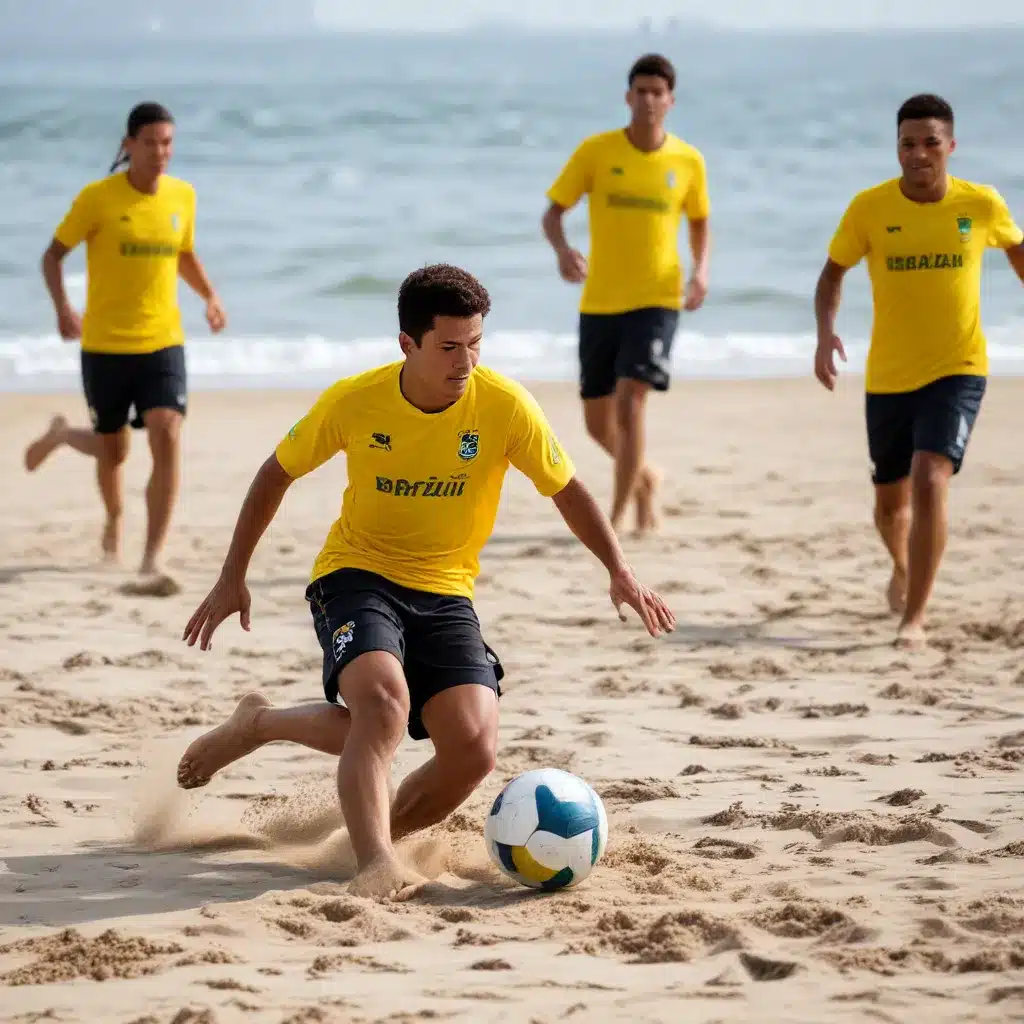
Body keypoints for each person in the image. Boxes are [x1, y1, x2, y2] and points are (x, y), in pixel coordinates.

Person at [177, 264, 676, 899]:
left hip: (445, 589)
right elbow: (276, 473)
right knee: (384, 709)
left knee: (472, 753)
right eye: (448, 346)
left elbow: (566, 488)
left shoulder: (503, 405)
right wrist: (232, 576)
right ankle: (373, 863)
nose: (465, 361)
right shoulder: (355, 401)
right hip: (356, 574)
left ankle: (267, 730)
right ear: (408, 344)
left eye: (475, 344)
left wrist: (619, 570)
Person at [814, 93, 1024, 648]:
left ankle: (916, 617)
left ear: (950, 146)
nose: (919, 153)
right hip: (888, 376)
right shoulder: (870, 208)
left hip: (959, 367)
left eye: (931, 142)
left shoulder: (980, 205)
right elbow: (832, 274)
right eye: (908, 143)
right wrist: (824, 335)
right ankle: (904, 567)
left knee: (932, 479)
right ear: (898, 148)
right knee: (889, 507)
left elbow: (1018, 250)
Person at [24, 102, 226, 590]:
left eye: (168, 142)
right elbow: (52, 257)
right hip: (104, 346)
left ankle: (151, 557)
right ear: (128, 145)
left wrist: (209, 296)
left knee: (167, 430)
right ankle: (67, 444)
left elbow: (184, 253)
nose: (162, 152)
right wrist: (63, 310)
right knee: (113, 453)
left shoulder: (182, 196)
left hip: (162, 341)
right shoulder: (98, 198)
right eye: (152, 142)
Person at [542, 53, 711, 536]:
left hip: (658, 297)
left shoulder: (687, 160)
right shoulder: (596, 152)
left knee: (631, 401)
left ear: (671, 101)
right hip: (600, 300)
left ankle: (615, 517)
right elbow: (553, 213)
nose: (649, 100)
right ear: (628, 97)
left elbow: (700, 221)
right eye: (641, 91)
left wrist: (701, 272)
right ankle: (644, 479)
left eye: (658, 93)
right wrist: (562, 251)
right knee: (598, 424)